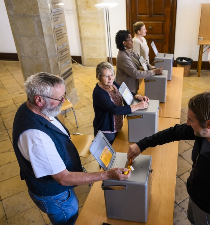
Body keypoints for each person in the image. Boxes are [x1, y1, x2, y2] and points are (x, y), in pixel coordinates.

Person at [12, 72, 131, 225]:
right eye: (59, 98)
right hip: (57, 197)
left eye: (64, 95)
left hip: (59, 186)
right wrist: (107, 175)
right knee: (70, 220)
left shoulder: (35, 108)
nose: (64, 101)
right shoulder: (36, 137)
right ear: (39, 99)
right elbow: (64, 178)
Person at [127, 92, 210, 225]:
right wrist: (141, 145)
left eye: (191, 120)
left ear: (209, 124)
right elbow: (173, 132)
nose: (187, 123)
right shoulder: (204, 131)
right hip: (196, 195)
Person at [93, 62, 149, 144]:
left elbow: (125, 92)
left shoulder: (112, 84)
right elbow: (114, 109)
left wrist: (137, 96)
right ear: (99, 77)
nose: (110, 78)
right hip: (106, 131)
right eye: (106, 76)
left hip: (117, 126)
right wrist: (137, 106)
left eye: (112, 75)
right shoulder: (99, 93)